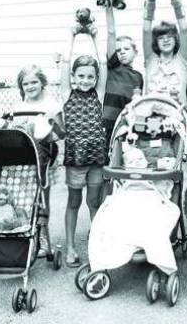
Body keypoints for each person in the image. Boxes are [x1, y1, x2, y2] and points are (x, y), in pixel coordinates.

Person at [0, 65, 64, 258]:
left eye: (34, 82)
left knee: (42, 197)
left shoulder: (52, 104)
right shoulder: (17, 108)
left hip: (44, 156)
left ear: (42, 83)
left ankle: (43, 238)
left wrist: (52, 124)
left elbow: (61, 133)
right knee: (22, 198)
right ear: (21, 86)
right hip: (21, 157)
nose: (30, 86)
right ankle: (23, 234)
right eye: (25, 83)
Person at [60, 28, 108, 268]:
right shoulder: (67, 94)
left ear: (96, 79)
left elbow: (104, 64)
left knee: (94, 202)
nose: (85, 80)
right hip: (76, 158)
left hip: (97, 158)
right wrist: (72, 37)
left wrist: (94, 37)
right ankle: (69, 247)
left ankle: (96, 246)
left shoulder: (98, 95)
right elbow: (67, 61)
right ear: (73, 77)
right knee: (73, 202)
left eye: (90, 76)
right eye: (81, 76)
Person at [142, 0, 187, 107]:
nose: (166, 40)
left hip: (177, 119)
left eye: (169, 36)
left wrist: (175, 0)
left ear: (175, 39)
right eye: (161, 38)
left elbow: (184, 29)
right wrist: (151, 0)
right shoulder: (151, 59)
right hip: (151, 119)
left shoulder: (182, 60)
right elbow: (146, 30)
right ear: (156, 42)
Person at [102, 6, 143, 150]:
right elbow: (111, 32)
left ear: (135, 52)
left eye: (126, 49)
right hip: (106, 124)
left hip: (125, 127)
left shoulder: (138, 77)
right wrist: (108, 7)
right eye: (118, 50)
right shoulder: (113, 68)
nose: (122, 53)